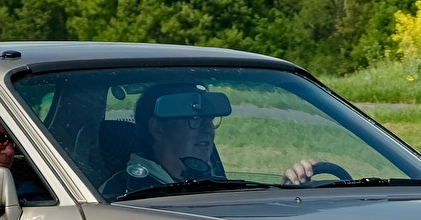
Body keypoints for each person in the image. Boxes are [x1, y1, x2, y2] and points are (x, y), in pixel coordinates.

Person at [99, 83, 323, 198]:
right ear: (157, 129)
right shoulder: (123, 190)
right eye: (195, 119)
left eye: (210, 119)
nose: (208, 129)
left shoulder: (208, 183)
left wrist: (286, 190)